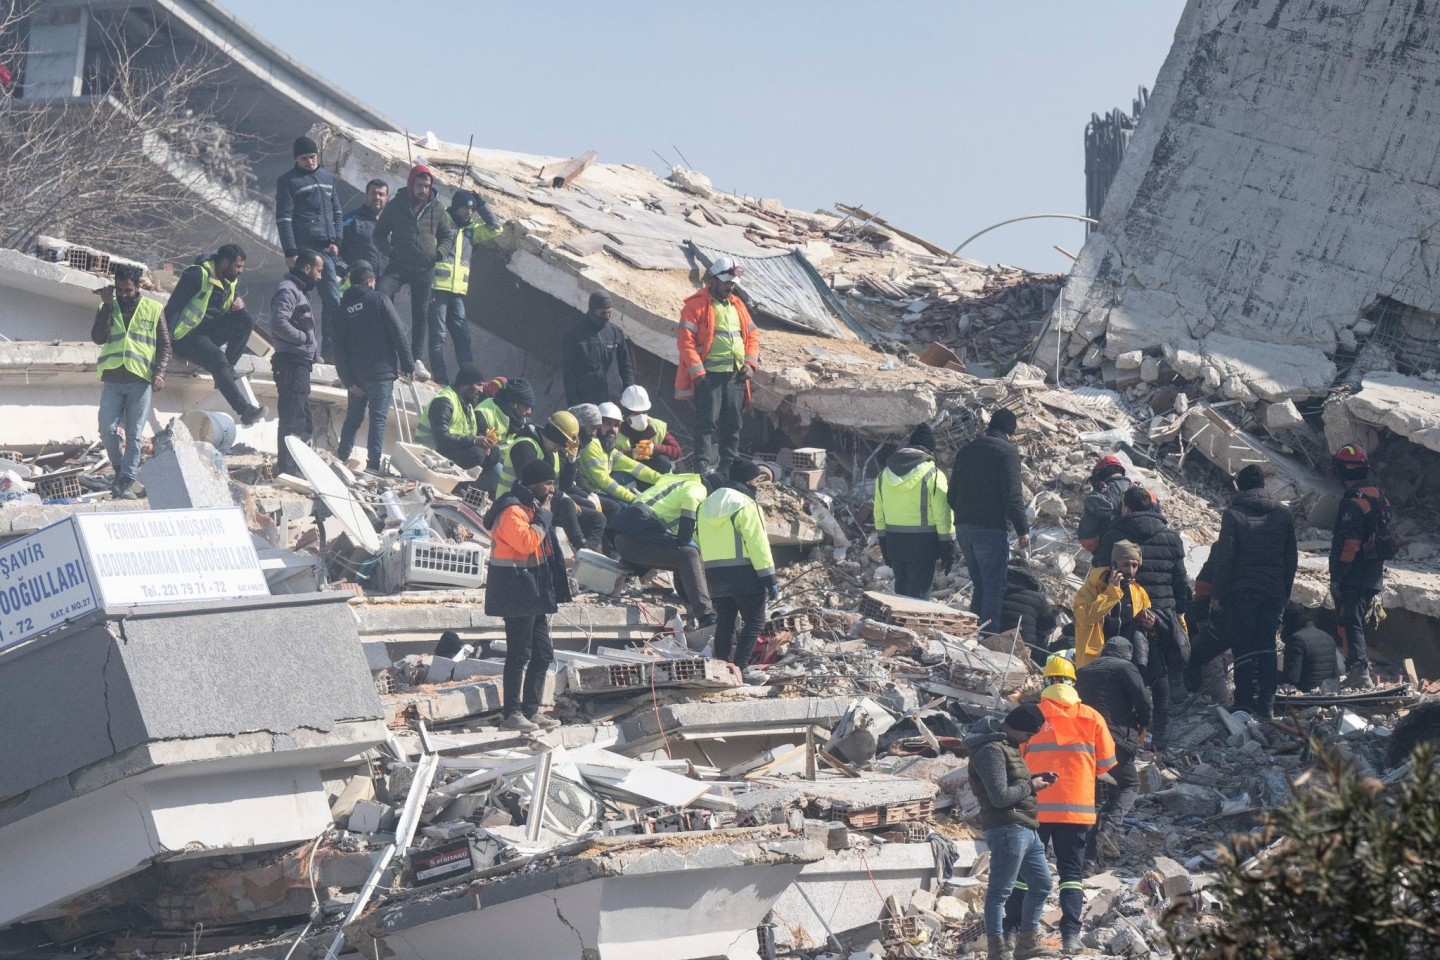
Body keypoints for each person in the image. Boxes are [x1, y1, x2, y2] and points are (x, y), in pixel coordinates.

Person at [1005, 657, 1115, 955]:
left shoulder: (1030, 714)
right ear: (1072, 683)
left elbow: (1014, 760)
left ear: (1046, 682)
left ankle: (1013, 932)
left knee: (1025, 873)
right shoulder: (1092, 717)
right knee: (1070, 874)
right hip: (1076, 809)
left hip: (1035, 807)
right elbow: (1106, 763)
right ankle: (1070, 937)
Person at [962, 703, 1055, 960]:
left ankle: (1025, 944)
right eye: (1029, 733)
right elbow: (1000, 797)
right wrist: (1032, 785)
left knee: (1042, 884)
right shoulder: (990, 750)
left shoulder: (1008, 746)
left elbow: (1013, 784)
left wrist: (1033, 781)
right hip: (1007, 827)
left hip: (1025, 825)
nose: (1031, 738)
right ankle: (997, 949)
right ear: (1017, 726)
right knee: (1000, 892)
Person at [484, 459, 570, 731]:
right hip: (515, 590)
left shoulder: (530, 507)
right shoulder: (512, 510)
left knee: (543, 654)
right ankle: (512, 714)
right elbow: (525, 543)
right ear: (533, 484)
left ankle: (532, 711)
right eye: (547, 483)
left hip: (533, 591)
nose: (551, 490)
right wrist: (545, 517)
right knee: (519, 654)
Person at [1206, 464, 1297, 717]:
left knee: (1243, 645)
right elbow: (1291, 558)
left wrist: (1217, 594)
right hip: (1273, 592)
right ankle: (1267, 704)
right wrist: (1284, 592)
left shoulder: (1233, 514)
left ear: (1240, 486)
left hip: (1242, 592)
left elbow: (1225, 558)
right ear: (1263, 485)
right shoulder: (1282, 514)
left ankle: (1244, 701)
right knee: (1267, 645)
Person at [676, 257, 760, 479]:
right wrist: (699, 374)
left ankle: (728, 466)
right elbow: (686, 343)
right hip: (709, 376)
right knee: (707, 423)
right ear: (712, 280)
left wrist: (750, 364)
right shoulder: (695, 306)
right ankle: (702, 467)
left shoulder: (737, 305)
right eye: (725, 282)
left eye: (732, 283)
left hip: (736, 375)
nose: (729, 286)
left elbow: (752, 335)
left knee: (733, 423)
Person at [92, 265, 169, 499]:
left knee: (134, 434)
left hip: (140, 379)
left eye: (128, 289)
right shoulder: (107, 306)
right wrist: (106, 307)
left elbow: (165, 345)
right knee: (106, 428)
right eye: (120, 289)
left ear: (137, 287)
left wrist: (160, 373)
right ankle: (119, 469)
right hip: (113, 378)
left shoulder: (153, 308)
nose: (123, 294)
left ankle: (126, 479)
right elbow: (98, 338)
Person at [165, 244, 265, 424]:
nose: (240, 271)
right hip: (186, 335)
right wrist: (166, 343)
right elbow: (172, 309)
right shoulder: (197, 275)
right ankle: (245, 411)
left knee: (246, 320)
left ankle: (227, 370)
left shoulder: (230, 281)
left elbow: (226, 312)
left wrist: (239, 308)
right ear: (225, 262)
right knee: (218, 358)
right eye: (238, 266)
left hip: (209, 332)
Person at [948, 409, 1029, 634]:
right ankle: (988, 638)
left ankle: (971, 632)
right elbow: (1013, 496)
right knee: (994, 587)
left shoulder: (966, 451)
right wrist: (1023, 530)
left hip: (963, 528)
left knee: (980, 585)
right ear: (1010, 432)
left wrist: (966, 516)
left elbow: (951, 495)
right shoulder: (1008, 452)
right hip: (989, 529)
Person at [333, 260, 414, 474]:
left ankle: (341, 456)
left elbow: (338, 348)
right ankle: (373, 465)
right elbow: (399, 332)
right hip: (381, 372)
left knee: (353, 418)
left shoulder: (342, 309)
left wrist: (347, 381)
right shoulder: (379, 299)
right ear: (371, 281)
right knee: (378, 418)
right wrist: (408, 363)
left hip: (357, 375)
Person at [1075, 636, 1152, 860]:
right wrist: (1143, 723)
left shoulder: (1084, 670)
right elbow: (1143, 700)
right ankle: (1109, 827)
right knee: (1130, 783)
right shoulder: (1126, 668)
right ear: (1127, 654)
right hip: (1114, 739)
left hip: (1083, 741)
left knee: (1095, 797)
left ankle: (1089, 856)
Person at [698, 460, 778, 668]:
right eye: (755, 480)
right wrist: (769, 577)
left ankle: (722, 666)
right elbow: (757, 543)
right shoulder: (746, 504)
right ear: (748, 480)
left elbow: (698, 538)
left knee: (725, 622)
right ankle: (740, 668)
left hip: (714, 574)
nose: (757, 485)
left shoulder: (705, 504)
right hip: (745, 573)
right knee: (755, 622)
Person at [374, 163, 454, 370]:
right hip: (399, 265)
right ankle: (389, 339)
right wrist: (391, 252)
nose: (423, 190)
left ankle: (416, 360)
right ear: (411, 184)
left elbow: (447, 236)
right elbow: (379, 234)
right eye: (419, 185)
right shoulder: (396, 205)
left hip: (425, 269)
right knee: (380, 295)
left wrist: (439, 253)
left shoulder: (437, 208)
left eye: (427, 186)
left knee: (421, 314)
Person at [610, 471, 715, 628]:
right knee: (689, 553)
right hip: (633, 539)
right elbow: (690, 501)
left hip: (629, 539)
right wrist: (686, 537)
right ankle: (707, 617)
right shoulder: (697, 488)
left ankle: (689, 597)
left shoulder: (675, 487)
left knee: (688, 552)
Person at [275, 135, 344, 360]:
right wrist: (291, 251)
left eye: (313, 157)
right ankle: (304, 347)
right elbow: (284, 218)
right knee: (298, 300)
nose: (310, 162)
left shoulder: (326, 178)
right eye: (304, 159)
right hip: (303, 248)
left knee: (332, 300)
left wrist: (337, 240)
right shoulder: (288, 181)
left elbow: (337, 212)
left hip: (325, 251)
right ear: (297, 159)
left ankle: (330, 351)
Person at [1329, 444, 1391, 689]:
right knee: (1352, 621)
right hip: (1372, 572)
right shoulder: (1378, 496)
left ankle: (1359, 673)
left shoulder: (1355, 501)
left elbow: (1350, 543)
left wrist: (1339, 575)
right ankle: (1357, 669)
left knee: (1349, 620)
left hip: (1354, 574)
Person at [503, 410, 606, 552]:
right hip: (515, 501)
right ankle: (580, 547)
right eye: (565, 442)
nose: (563, 447)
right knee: (567, 504)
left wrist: (571, 460)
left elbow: (564, 486)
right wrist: (561, 496)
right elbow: (530, 485)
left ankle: (588, 554)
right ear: (556, 434)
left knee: (597, 518)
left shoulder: (553, 452)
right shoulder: (525, 446)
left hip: (541, 499)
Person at [874, 423, 956, 600]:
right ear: (929, 450)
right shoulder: (933, 474)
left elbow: (878, 514)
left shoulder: (884, 474)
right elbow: (943, 514)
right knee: (919, 595)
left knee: (901, 592)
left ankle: (897, 626)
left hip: (894, 541)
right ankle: (913, 627)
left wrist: (884, 544)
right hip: (923, 544)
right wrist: (948, 547)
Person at [429, 189, 502, 384]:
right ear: (456, 207)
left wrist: (482, 205)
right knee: (438, 336)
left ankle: (469, 381)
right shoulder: (443, 223)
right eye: (465, 208)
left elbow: (496, 228)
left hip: (457, 293)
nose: (468, 212)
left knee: (463, 337)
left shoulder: (472, 231)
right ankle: (441, 379)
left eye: (471, 209)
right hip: (438, 288)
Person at [1096, 486, 1191, 617]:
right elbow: (1180, 578)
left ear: (1126, 509)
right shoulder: (1172, 538)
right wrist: (1180, 611)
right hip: (1163, 614)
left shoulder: (1112, 537)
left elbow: (1102, 576)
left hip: (1124, 613)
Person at [269, 249, 323, 476]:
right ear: (308, 269)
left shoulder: (299, 291)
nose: (319, 277)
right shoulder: (288, 290)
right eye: (318, 271)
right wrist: (304, 339)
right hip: (291, 362)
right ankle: (289, 471)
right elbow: (279, 322)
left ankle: (300, 468)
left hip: (300, 363)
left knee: (302, 419)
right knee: (292, 419)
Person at [1074, 540, 1155, 667]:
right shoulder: (1092, 588)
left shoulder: (1138, 592)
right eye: (1125, 565)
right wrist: (1112, 592)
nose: (1131, 571)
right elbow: (1085, 618)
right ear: (1114, 564)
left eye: (1134, 566)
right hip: (1095, 660)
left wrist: (1151, 626)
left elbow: (1146, 632)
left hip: (1127, 662)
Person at [571, 402, 662, 514]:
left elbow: (636, 468)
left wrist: (663, 480)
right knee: (626, 509)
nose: (612, 429)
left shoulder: (608, 448)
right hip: (589, 493)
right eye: (608, 424)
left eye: (616, 425)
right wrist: (635, 499)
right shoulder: (592, 445)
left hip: (597, 491)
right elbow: (603, 482)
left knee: (626, 476)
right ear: (598, 425)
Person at [563, 290, 635, 406]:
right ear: (592, 310)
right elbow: (569, 375)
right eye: (602, 313)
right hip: (589, 403)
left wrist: (630, 397)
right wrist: (574, 406)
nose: (607, 317)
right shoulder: (575, 336)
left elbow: (626, 368)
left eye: (609, 313)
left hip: (615, 401)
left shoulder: (616, 333)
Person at [417, 362, 491, 469]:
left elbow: (468, 432)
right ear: (465, 385)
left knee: (493, 453)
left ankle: (464, 482)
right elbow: (442, 439)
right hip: (430, 452)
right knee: (476, 454)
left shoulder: (467, 403)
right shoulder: (444, 402)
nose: (481, 390)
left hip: (451, 448)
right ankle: (455, 483)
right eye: (478, 385)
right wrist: (474, 440)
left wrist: (483, 443)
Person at [475, 378, 536, 494]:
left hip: (504, 462)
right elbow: (480, 455)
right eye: (526, 407)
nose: (529, 412)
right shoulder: (484, 413)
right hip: (484, 467)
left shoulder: (520, 421)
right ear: (514, 404)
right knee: (506, 481)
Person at [1000, 558, 1060, 665]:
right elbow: (1048, 627)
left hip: (993, 642)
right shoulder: (1038, 597)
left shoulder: (994, 592)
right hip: (1027, 650)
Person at [616, 384, 682, 473]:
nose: (641, 417)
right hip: (629, 474)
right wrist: (633, 453)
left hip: (654, 475)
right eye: (636, 413)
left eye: (644, 412)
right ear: (626, 412)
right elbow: (609, 458)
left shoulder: (657, 426)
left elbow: (676, 451)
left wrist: (655, 448)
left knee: (663, 461)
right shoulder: (616, 429)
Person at [1078, 455, 1131, 561]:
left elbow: (1088, 542)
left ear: (1099, 476)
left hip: (1109, 561)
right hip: (1141, 563)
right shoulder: (1146, 495)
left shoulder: (1098, 497)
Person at [1280, 602, 1339, 692]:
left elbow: (1292, 678)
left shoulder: (1296, 640)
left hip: (1305, 695)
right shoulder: (1328, 637)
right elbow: (1335, 676)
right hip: (1326, 694)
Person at [342, 179, 389, 276]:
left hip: (384, 285)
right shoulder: (352, 220)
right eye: (373, 193)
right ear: (365, 195)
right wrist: (345, 270)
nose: (377, 197)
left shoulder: (392, 224)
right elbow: (334, 247)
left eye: (381, 194)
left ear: (387, 198)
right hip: (358, 283)